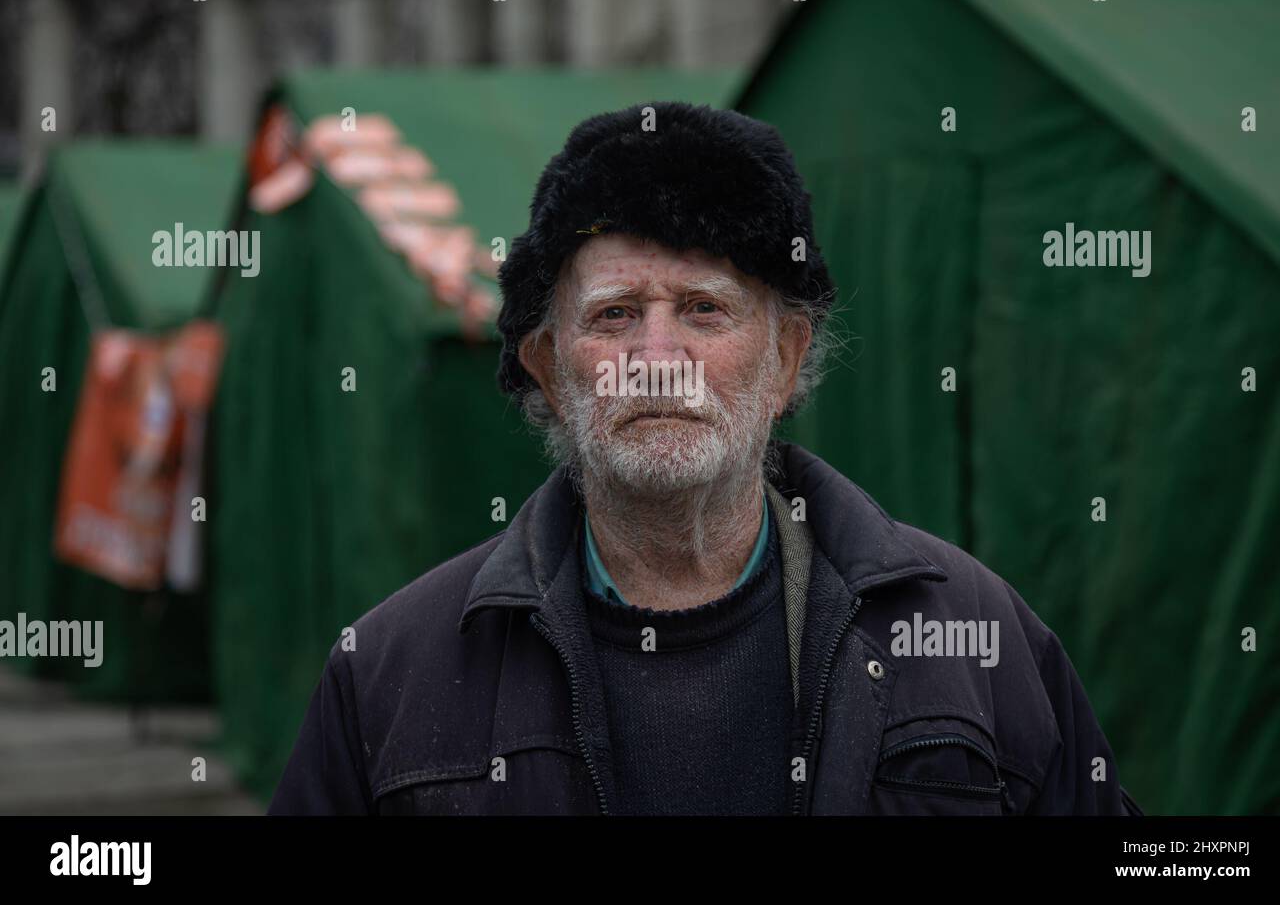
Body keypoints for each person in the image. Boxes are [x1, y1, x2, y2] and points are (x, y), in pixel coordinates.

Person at [269, 102, 1142, 815]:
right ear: (546, 364)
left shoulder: (973, 634)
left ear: (786, 361)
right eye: (613, 316)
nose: (657, 357)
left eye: (703, 310)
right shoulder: (390, 669)